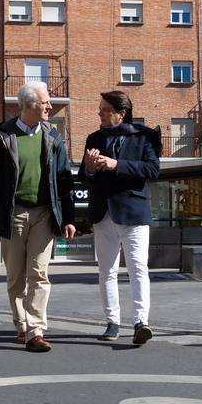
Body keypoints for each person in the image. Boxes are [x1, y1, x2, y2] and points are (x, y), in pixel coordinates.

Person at [0, 80, 77, 353]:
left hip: (44, 214)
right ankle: (21, 324)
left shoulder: (53, 137)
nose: (50, 106)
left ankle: (35, 330)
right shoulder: (3, 137)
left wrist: (68, 217)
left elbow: (64, 180)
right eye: (45, 102)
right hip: (12, 214)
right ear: (30, 105)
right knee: (16, 277)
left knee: (39, 273)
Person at [83, 90, 161, 344]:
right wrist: (90, 169)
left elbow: (152, 169)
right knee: (107, 270)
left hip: (133, 212)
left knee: (138, 269)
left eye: (105, 110)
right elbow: (84, 178)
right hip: (103, 212)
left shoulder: (145, 136)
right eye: (100, 108)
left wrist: (117, 165)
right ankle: (112, 322)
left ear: (121, 113)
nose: (100, 113)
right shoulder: (93, 138)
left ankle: (141, 322)